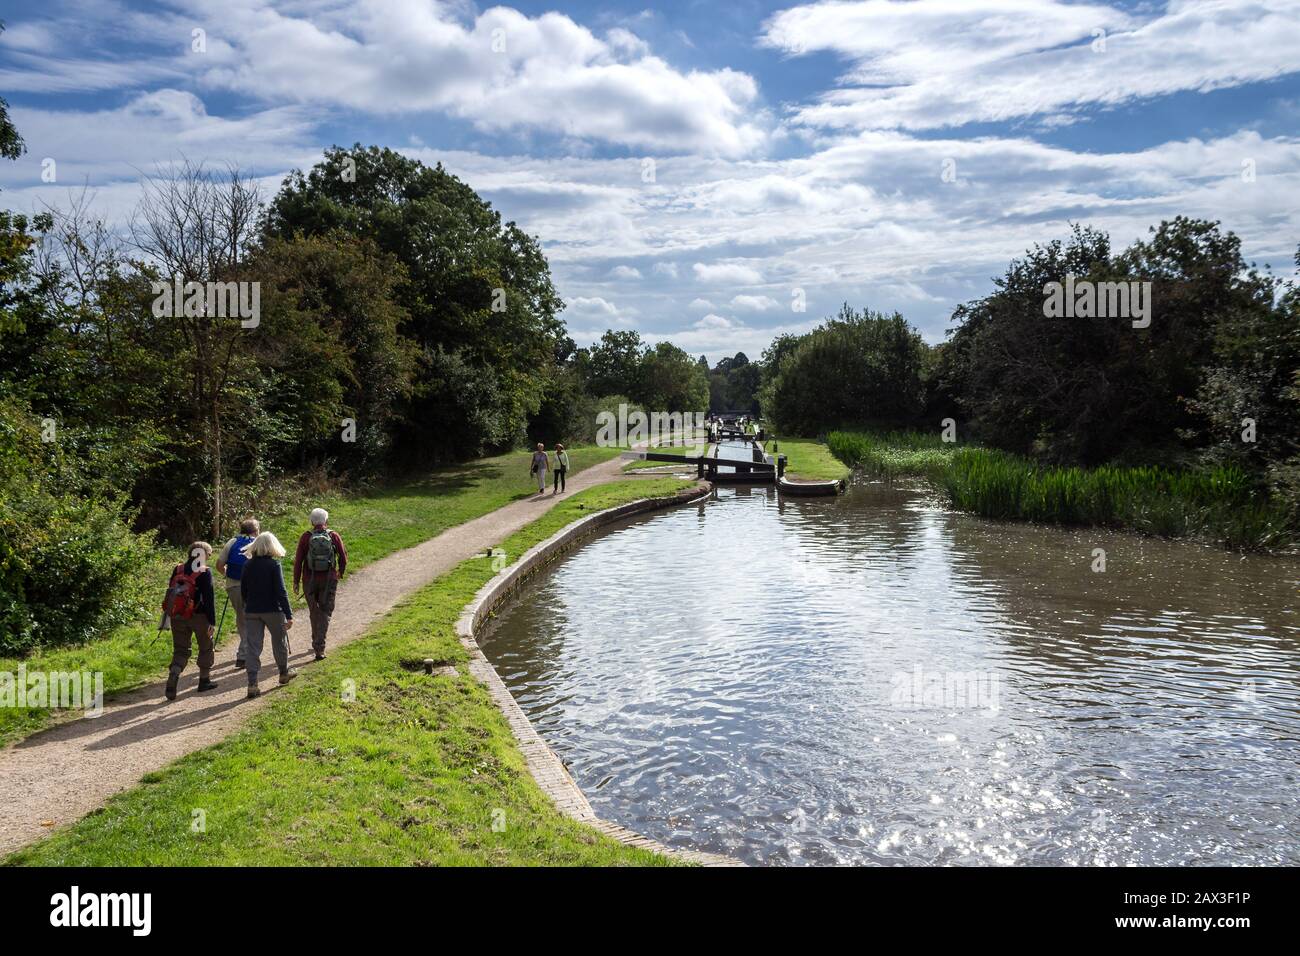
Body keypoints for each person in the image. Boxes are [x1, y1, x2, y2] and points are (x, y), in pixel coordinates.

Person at [240, 532, 297, 698]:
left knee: (253, 647)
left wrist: (247, 605)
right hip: (273, 610)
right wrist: (289, 614)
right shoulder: (274, 565)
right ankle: (283, 673)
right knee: (279, 642)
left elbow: (244, 590)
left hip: (252, 610)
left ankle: (252, 683)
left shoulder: (247, 565)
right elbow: (281, 591)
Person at [162, 541, 219, 701]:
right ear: (204, 555)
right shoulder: (204, 572)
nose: (209, 557)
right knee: (206, 646)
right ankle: (204, 680)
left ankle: (174, 672)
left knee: (181, 649)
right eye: (209, 554)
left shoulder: (178, 568)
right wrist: (212, 622)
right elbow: (209, 599)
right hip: (199, 616)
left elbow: (172, 592)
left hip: (178, 615)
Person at [293, 508, 347, 661]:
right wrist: (340, 572)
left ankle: (316, 639)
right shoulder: (333, 535)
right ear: (326, 521)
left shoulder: (305, 537)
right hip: (329, 579)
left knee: (314, 611)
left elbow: (298, 561)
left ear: (311, 522)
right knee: (325, 612)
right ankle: (319, 647)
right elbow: (343, 557)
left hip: (309, 580)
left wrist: (296, 581)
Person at [216, 517, 260, 669]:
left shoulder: (232, 542)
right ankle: (243, 655)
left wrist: (227, 574)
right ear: (255, 531)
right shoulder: (258, 542)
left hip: (233, 586)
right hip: (253, 587)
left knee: (242, 619)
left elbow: (219, 564)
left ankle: (244, 653)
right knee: (253, 619)